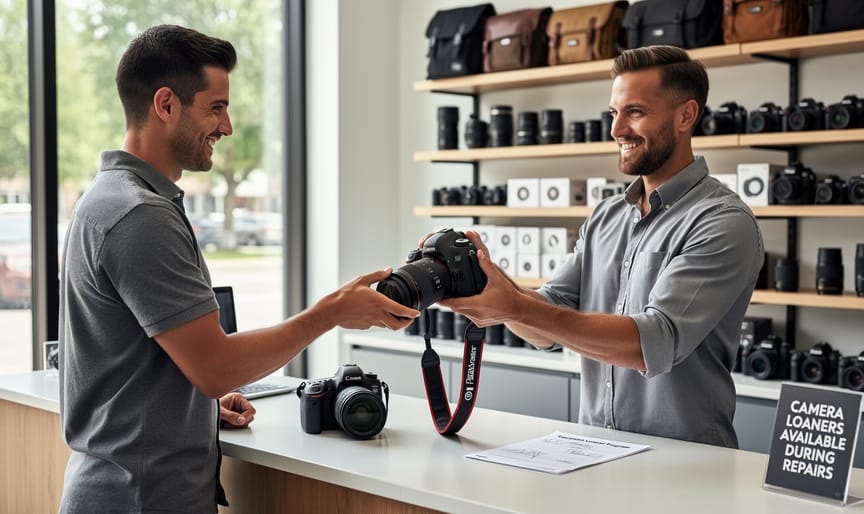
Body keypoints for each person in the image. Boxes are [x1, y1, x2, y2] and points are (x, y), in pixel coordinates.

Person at [57, 25, 418, 513]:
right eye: (216, 107)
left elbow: (145, 362)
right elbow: (216, 367)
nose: (226, 127)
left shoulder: (107, 197)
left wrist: (195, 413)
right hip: (140, 499)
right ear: (166, 105)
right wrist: (328, 313)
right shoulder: (139, 214)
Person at [440, 45, 764, 448]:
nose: (617, 130)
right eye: (615, 113)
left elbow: (654, 343)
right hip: (592, 450)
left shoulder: (721, 221)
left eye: (636, 112)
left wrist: (516, 305)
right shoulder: (606, 217)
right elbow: (545, 324)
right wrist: (482, 277)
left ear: (686, 116)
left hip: (687, 463)